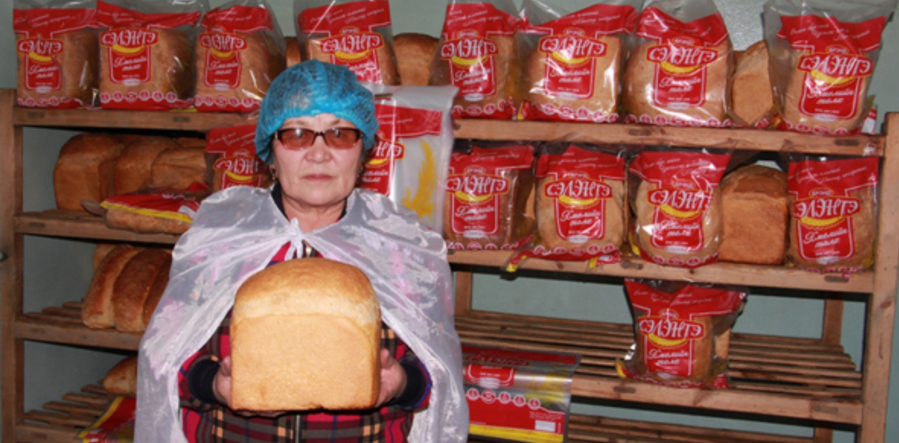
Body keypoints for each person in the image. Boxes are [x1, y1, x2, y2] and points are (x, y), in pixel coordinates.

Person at [135, 60, 468, 443]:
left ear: (363, 151)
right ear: (270, 152)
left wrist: (403, 383)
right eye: (297, 134)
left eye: (340, 134)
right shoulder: (222, 235)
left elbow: (438, 377)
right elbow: (165, 362)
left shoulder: (401, 244)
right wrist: (212, 385)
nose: (319, 153)